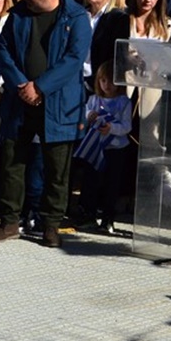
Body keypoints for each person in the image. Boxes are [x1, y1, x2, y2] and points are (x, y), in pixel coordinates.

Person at [0, 0, 91, 248]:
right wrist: (22, 84)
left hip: (58, 103)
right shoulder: (19, 14)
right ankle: (9, 221)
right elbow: (3, 49)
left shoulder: (75, 17)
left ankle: (51, 225)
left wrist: (41, 87)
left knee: (56, 169)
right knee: (12, 162)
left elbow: (74, 59)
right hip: (20, 101)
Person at [71, 60, 131, 234]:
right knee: (91, 181)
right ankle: (88, 215)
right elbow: (85, 113)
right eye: (103, 80)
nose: (107, 85)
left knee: (112, 184)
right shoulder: (94, 99)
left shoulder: (123, 102)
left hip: (115, 149)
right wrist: (90, 115)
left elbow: (127, 126)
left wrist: (111, 128)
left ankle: (108, 219)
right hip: (95, 148)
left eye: (111, 81)